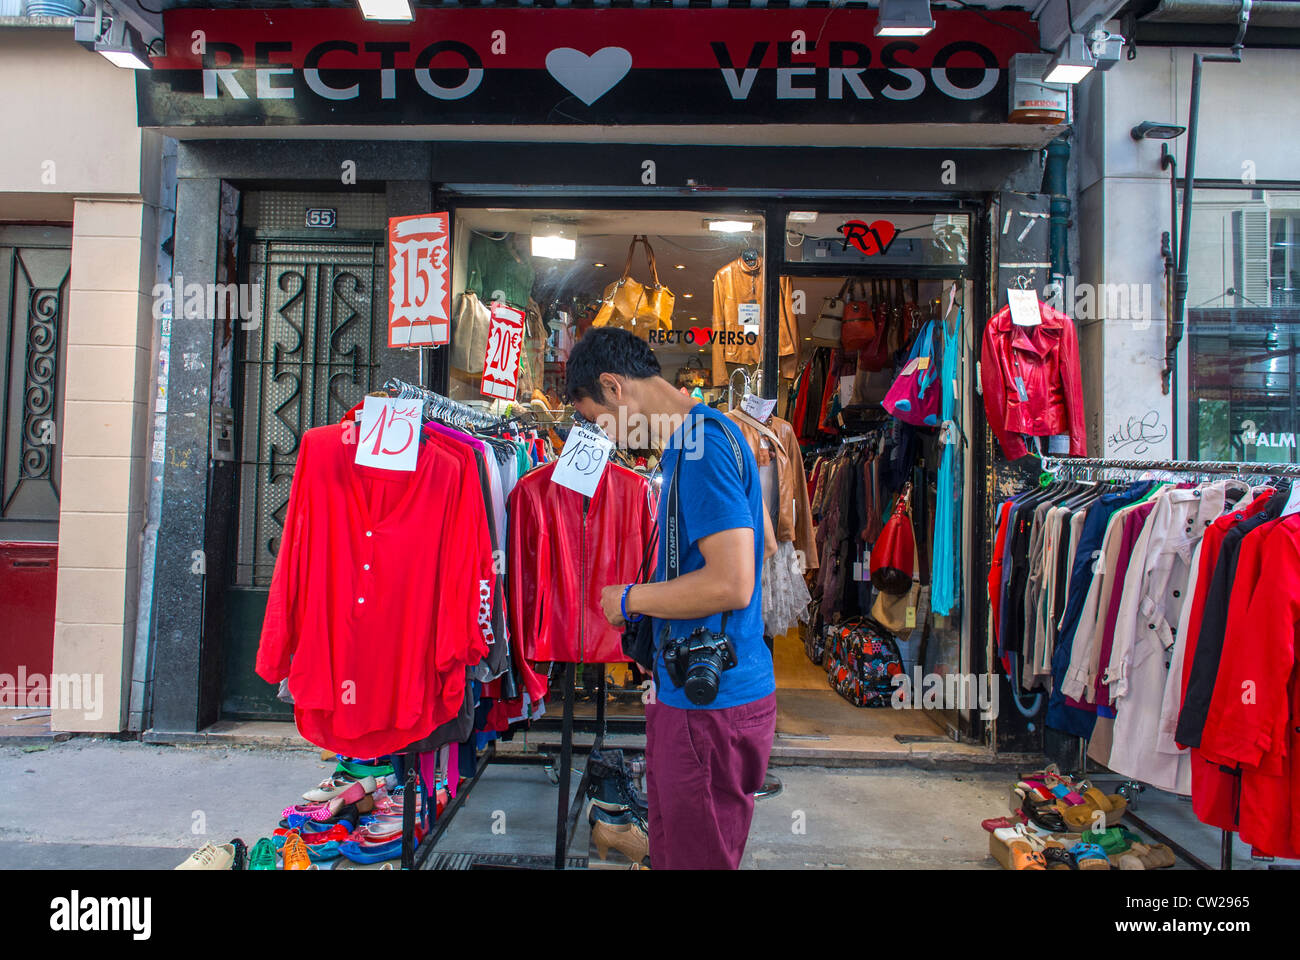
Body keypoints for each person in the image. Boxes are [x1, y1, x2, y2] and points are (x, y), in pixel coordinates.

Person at [566, 327, 776, 870]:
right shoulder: (710, 435)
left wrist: (634, 598)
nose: (604, 435)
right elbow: (767, 542)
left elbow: (734, 582)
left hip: (710, 706)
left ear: (614, 387)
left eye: (596, 419)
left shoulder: (698, 449)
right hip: (700, 691)